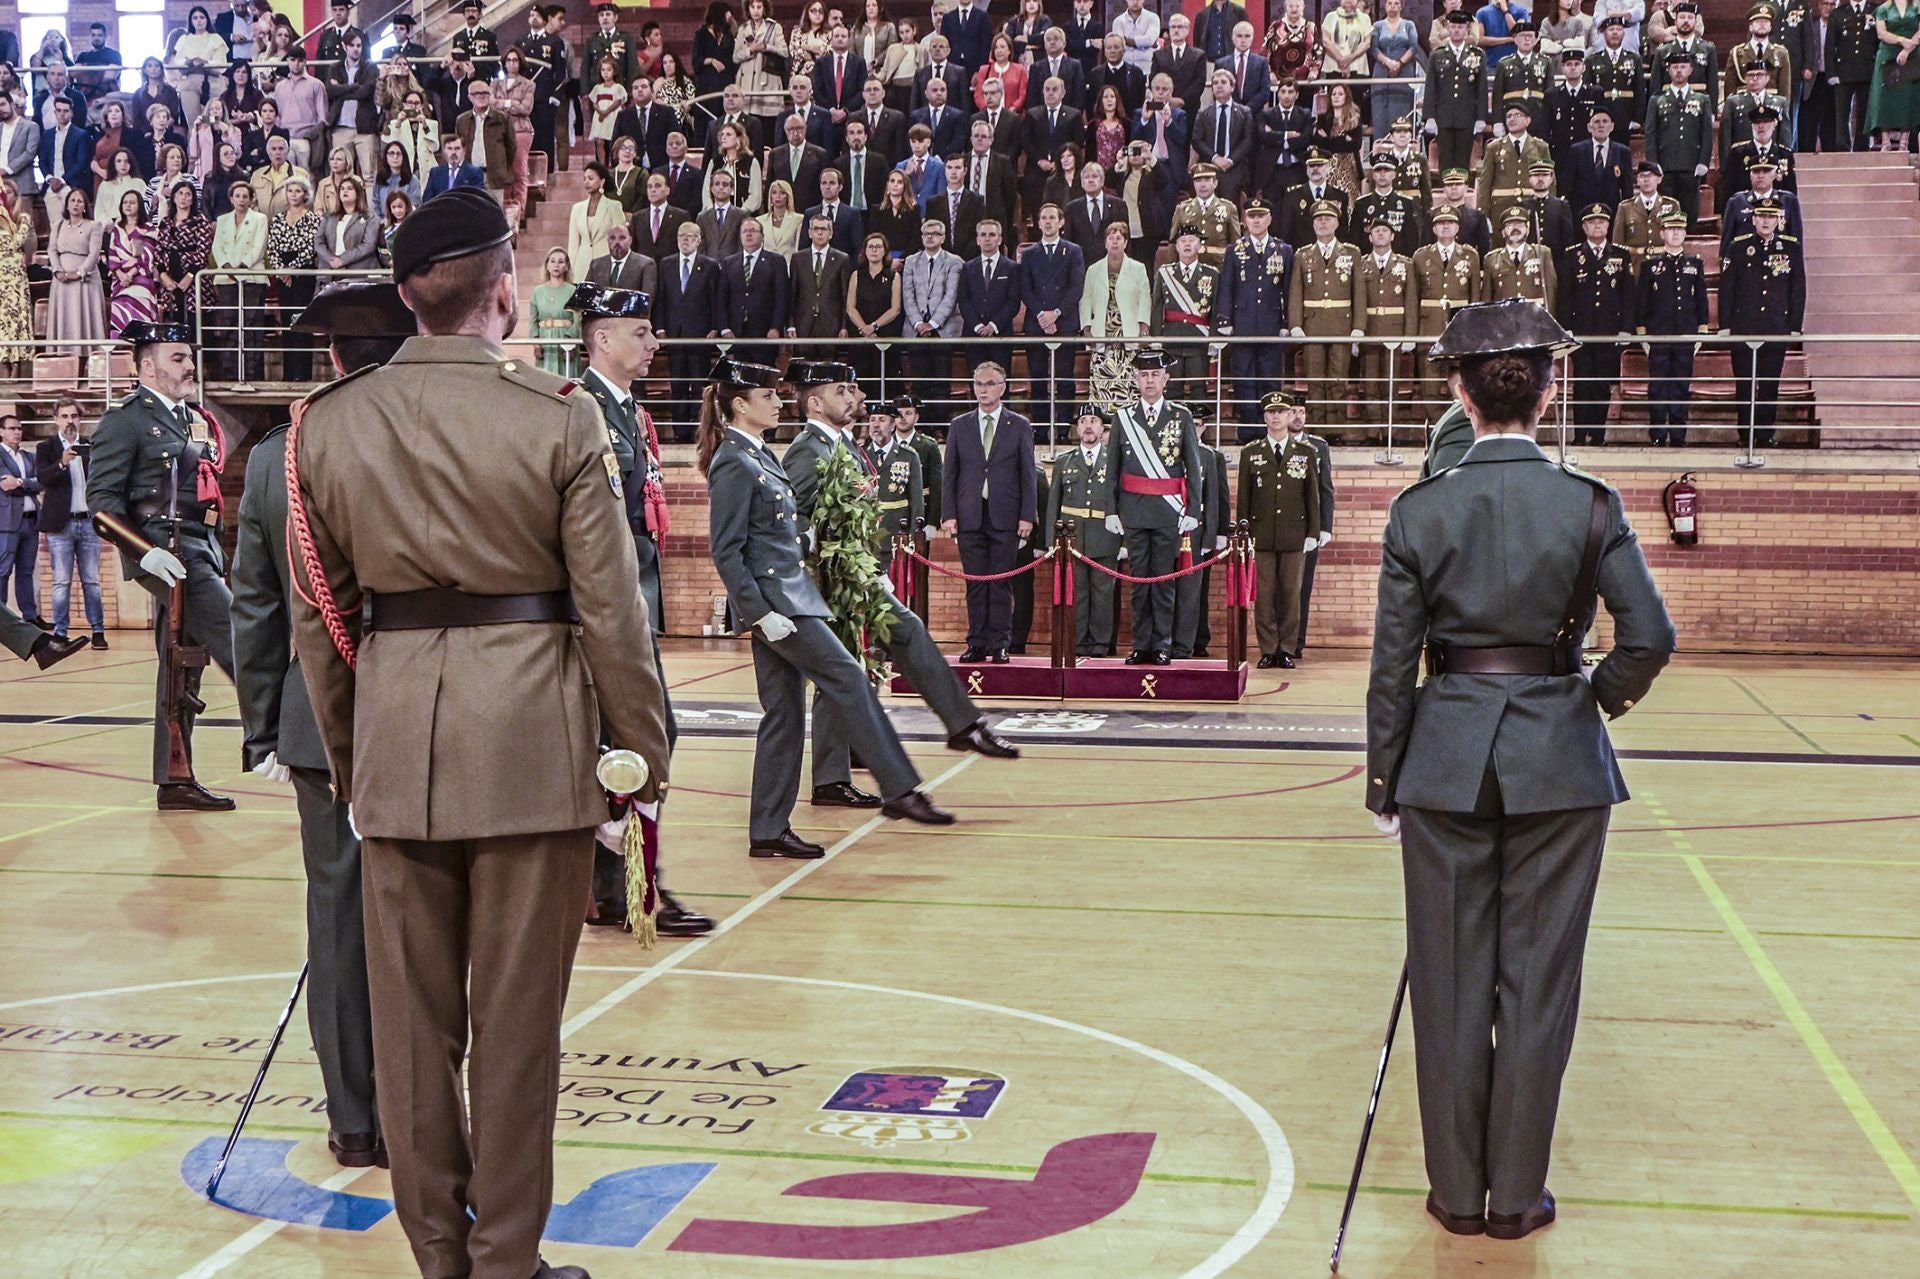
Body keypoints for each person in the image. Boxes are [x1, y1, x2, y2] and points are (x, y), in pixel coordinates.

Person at [284, 190, 667, 1279]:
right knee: (515, 1027)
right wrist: (640, 757)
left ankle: (439, 1258)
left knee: (410, 1035)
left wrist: (359, 762)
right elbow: (612, 611)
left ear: (410, 298)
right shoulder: (558, 415)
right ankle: (506, 1261)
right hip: (533, 749)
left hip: (399, 744)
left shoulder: (329, 423)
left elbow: (322, 624)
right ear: (505, 290)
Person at [1366, 298, 1675, 1246]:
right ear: (1552, 390)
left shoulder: (1419, 509)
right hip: (1560, 765)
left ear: (1461, 396)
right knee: (1538, 985)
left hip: (1444, 762)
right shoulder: (1593, 503)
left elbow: (1392, 668)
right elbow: (1650, 638)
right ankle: (1516, 1200)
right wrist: (1589, 701)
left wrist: (1385, 782)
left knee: (1449, 983)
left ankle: (1458, 1194)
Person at [233, 281, 415, 1177]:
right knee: (435, 914)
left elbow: (256, 603)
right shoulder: (429, 433)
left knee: (338, 922)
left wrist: (265, 727)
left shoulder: (279, 455)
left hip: (318, 719)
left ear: (332, 356)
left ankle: (355, 1120)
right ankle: (425, 1110)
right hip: (433, 710)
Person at [701, 355, 952, 858]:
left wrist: (811, 538)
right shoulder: (733, 459)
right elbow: (726, 549)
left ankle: (768, 830)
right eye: (767, 396)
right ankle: (900, 788)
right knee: (848, 678)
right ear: (740, 405)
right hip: (779, 605)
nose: (778, 402)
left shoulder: (760, 454)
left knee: (784, 716)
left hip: (791, 596)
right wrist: (758, 612)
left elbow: (776, 533)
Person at [86, 322, 237, 811]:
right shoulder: (125, 421)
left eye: (189, 357)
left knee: (181, 668)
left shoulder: (192, 419)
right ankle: (297, 747)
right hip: (165, 551)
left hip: (201, 548)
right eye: (177, 357)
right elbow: (102, 506)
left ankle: (175, 779)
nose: (190, 365)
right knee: (245, 642)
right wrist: (144, 553)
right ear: (147, 367)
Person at [1101, 349, 1203, 665]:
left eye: (1155, 375)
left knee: (1162, 583)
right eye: (1143, 375)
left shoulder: (1181, 416)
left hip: (1167, 512)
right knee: (1138, 584)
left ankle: (1162, 644)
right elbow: (1113, 469)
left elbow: (1193, 467)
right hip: (1133, 511)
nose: (1149, 380)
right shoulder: (1123, 418)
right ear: (1135, 379)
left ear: (1165, 379)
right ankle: (1141, 644)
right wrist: (1111, 510)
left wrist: (1193, 511)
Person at [940, 361, 1036, 662]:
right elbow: (950, 474)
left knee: (1001, 582)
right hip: (969, 515)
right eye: (978, 384)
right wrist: (948, 514)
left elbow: (1028, 475)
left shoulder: (1019, 425)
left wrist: (1027, 515)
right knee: (976, 583)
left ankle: (1000, 644)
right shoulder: (960, 425)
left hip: (1006, 516)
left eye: (990, 384)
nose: (983, 389)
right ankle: (976, 643)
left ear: (1002, 388)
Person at [1237, 390, 1320, 669]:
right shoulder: (1251, 453)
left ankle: (1286, 648)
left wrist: (1313, 532)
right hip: (1261, 536)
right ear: (1264, 417)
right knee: (1263, 597)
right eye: (1271, 412)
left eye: (1281, 412)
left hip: (1294, 535)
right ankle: (1268, 649)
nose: (1276, 417)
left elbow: (1312, 497)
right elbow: (1244, 498)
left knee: (1291, 595)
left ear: (1289, 415)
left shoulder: (1306, 452)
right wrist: (1244, 535)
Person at [1719, 197, 1805, 448]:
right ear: (1754, 219)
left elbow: (1797, 289)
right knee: (1745, 384)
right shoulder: (1738, 246)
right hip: (1744, 326)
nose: (1766, 221)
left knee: (1769, 384)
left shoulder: (1790, 247)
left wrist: (1794, 326)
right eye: (1761, 216)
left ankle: (1765, 435)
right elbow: (1727, 288)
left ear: (1779, 220)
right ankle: (1745, 435)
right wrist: (1725, 324)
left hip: (1775, 327)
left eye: (1771, 217)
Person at [1557, 203, 1637, 446]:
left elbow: (1628, 296)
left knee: (1602, 385)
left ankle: (1598, 434)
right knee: (1582, 384)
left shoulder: (1621, 255)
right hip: (1581, 331)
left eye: (1601, 222)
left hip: (1609, 332)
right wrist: (1566, 327)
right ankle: (1580, 434)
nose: (1597, 226)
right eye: (1592, 222)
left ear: (1608, 225)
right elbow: (1565, 295)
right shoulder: (1572, 255)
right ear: (1584, 227)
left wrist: (1626, 328)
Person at [1047, 405, 1120, 656]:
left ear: (1102, 428)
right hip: (1072, 538)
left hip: (1106, 536)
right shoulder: (1064, 461)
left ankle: (1100, 644)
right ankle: (1076, 642)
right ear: (1077, 428)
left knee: (1103, 595)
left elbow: (1122, 501)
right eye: (1083, 421)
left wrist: (1124, 542)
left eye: (1093, 421)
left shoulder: (1114, 460)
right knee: (1076, 593)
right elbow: (1054, 503)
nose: (1088, 426)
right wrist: (1052, 540)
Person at [32, 401, 105, 647]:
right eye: (64, 416)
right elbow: (43, 478)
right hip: (60, 525)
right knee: (62, 581)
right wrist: (62, 463)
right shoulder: (46, 447)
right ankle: (61, 632)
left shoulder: (91, 447)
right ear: (55, 419)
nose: (69, 421)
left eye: (74, 416)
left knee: (92, 580)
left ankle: (98, 631)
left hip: (89, 522)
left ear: (80, 419)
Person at [1636, 209, 1709, 445]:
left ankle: (1678, 434)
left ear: (1685, 233)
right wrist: (1642, 333)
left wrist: (1702, 329)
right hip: (1659, 334)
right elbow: (1643, 301)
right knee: (1658, 386)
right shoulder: (1650, 265)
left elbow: (1701, 299)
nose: (1675, 233)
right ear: (1662, 233)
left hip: (1685, 333)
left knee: (1681, 385)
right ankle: (1657, 434)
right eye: (1670, 229)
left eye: (1679, 229)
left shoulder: (1694, 264)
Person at [1288, 199, 1364, 414]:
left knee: (1338, 381)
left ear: (1337, 223)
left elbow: (1359, 293)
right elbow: (1296, 292)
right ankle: (1316, 428)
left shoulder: (1351, 253)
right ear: (1313, 224)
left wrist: (1358, 326)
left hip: (1341, 325)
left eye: (1328, 218)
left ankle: (1335, 427)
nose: (1323, 222)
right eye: (1319, 219)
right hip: (1312, 325)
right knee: (1315, 382)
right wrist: (1295, 324)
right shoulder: (1302, 255)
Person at [1411, 208, 1483, 422]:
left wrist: (1474, 331)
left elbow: (1475, 298)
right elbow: (1413, 297)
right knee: (1430, 379)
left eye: (1449, 223)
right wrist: (1412, 332)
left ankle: (1460, 422)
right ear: (1434, 228)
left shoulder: (1470, 255)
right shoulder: (1421, 256)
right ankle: (1436, 425)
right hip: (1429, 324)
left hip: (1459, 326)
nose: (1445, 226)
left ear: (1457, 228)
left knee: (1461, 379)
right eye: (1440, 223)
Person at [660, 219, 723, 437]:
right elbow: (662, 299)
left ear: (698, 240)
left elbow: (715, 299)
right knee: (677, 385)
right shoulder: (666, 264)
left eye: (690, 236)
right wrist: (660, 329)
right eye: (682, 236)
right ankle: (680, 432)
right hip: (674, 334)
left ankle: (699, 431)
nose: (685, 240)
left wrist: (714, 327)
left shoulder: (710, 266)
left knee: (699, 386)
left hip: (701, 334)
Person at [1354, 213, 1418, 425]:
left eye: (1384, 231)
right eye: (1376, 231)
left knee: (1392, 383)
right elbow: (1356, 300)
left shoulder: (1405, 264)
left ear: (1392, 236)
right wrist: (1356, 334)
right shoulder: (1361, 264)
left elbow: (1411, 301)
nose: (1380, 234)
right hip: (1370, 329)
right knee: (1370, 383)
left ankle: (1391, 429)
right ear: (1370, 237)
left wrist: (1410, 335)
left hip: (1395, 330)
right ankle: (1374, 431)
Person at [1643, 47, 1713, 228]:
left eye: (1683, 67)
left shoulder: (1702, 99)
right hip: (1665, 166)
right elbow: (1651, 134)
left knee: (1690, 214)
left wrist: (1703, 161)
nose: (1679, 71)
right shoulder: (1657, 100)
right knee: (1666, 213)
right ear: (1668, 70)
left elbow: (1706, 133)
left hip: (1691, 165)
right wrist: (1653, 162)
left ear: (1690, 70)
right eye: (1675, 67)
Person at [1427, 11, 1491, 174]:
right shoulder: (1437, 55)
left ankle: (1462, 190)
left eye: (1460, 27)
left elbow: (1481, 89)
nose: (1456, 30)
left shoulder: (1477, 55)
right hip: (1443, 117)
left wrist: (1481, 117)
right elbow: (1431, 88)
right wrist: (1430, 116)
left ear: (1467, 30)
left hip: (1467, 116)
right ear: (1448, 29)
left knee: (1464, 162)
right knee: (1445, 162)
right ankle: (1446, 190)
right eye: (1453, 27)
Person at [48, 188, 106, 359]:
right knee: (65, 318)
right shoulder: (58, 225)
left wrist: (79, 272)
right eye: (72, 200)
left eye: (79, 201)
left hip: (84, 282)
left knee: (84, 318)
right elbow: (52, 250)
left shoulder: (94, 226)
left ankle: (88, 362)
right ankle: (63, 361)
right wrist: (58, 270)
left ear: (85, 206)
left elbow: (94, 254)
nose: (75, 204)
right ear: (67, 205)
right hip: (61, 282)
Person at [0, 415, 42, 626]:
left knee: (26, 571)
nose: (17, 432)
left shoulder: (28, 456)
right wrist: (26, 484)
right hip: (7, 523)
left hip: (31, 521)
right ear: (1, 432)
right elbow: (5, 485)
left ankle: (30, 616)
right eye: (11, 428)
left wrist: (19, 482)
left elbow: (41, 482)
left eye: (19, 428)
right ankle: (2, 620)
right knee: (3, 571)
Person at [155, 181, 214, 327]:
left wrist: (190, 276)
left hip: (194, 278)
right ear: (174, 197)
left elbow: (203, 251)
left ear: (193, 199)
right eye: (180, 193)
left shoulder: (200, 221)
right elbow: (158, 251)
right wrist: (163, 276)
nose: (183, 197)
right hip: (170, 277)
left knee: (195, 321)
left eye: (188, 194)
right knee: (173, 321)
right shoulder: (166, 222)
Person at [1868, 0, 1920, 151]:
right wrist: (1901, 40)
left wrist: (1907, 50)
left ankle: (1904, 141)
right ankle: (1886, 142)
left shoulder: (1917, 6)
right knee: (1884, 97)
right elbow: (1881, 33)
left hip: (1912, 53)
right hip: (1888, 53)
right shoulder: (1883, 8)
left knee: (1908, 96)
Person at [529, 246, 579, 376]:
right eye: (552, 261)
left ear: (566, 266)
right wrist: (536, 343)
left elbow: (577, 320)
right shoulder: (537, 292)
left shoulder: (573, 291)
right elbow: (533, 320)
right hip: (545, 341)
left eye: (560, 262)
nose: (556, 265)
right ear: (547, 265)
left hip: (565, 340)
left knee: (566, 379)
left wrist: (570, 341)